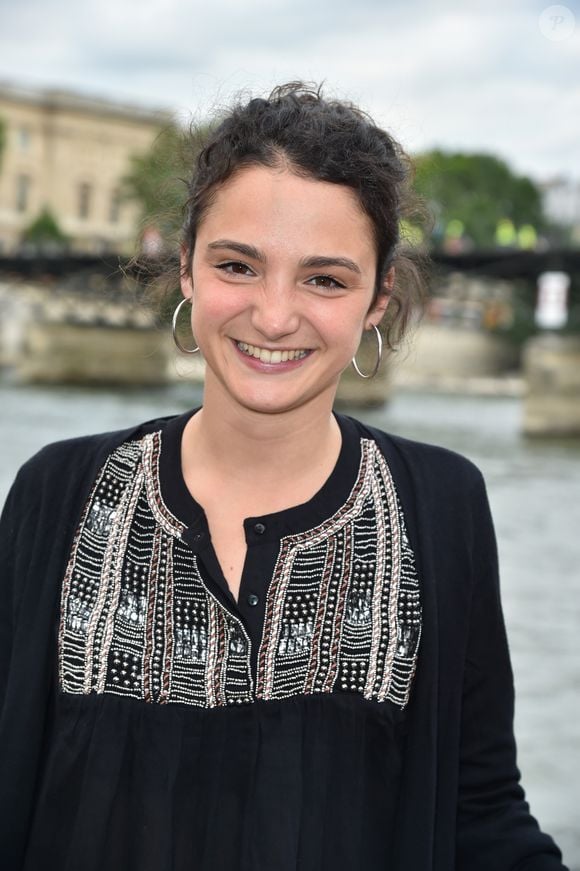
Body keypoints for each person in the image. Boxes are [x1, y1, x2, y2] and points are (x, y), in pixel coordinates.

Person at [0, 82, 569, 871]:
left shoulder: (440, 507)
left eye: (324, 279)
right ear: (187, 269)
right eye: (239, 264)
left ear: (378, 298)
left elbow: (480, 810)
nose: (273, 315)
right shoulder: (57, 494)